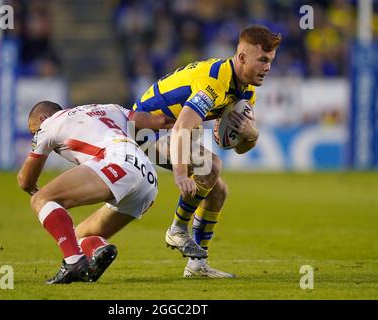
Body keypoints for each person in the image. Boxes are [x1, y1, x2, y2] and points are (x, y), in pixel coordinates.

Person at [131, 25, 281, 278]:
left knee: (218, 191)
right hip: (145, 129)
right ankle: (177, 230)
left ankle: (197, 265)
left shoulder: (246, 91)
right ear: (242, 57)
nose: (268, 67)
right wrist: (180, 174)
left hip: (175, 132)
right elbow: (181, 127)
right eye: (263, 60)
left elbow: (242, 148)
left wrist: (252, 134)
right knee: (209, 166)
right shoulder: (213, 82)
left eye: (271, 61)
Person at [17, 101, 173, 284]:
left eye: (33, 131)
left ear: (42, 118)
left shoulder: (49, 124)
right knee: (76, 238)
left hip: (116, 162)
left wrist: (38, 194)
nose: (34, 136)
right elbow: (162, 121)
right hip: (149, 179)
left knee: (41, 200)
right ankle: (99, 249)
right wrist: (191, 127)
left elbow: (25, 181)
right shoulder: (111, 108)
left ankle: (73, 263)